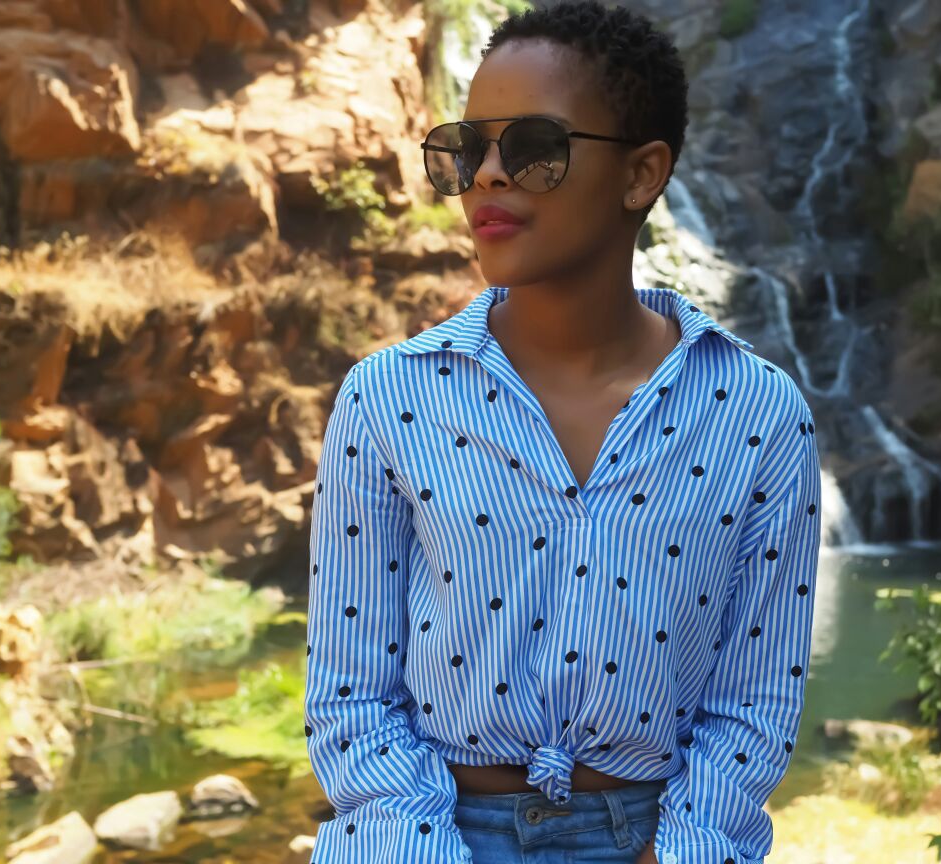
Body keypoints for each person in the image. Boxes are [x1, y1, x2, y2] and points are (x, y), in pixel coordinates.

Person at [303, 3, 822, 863]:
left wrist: (681, 850)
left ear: (641, 173)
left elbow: (754, 699)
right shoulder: (388, 399)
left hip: (656, 838)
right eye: (467, 149)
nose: (487, 176)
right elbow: (351, 695)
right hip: (429, 835)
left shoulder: (757, 415)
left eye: (534, 148)